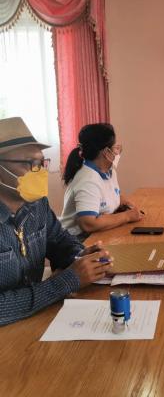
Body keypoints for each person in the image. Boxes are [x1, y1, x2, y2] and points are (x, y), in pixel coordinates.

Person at [0, 117, 113, 326]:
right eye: (29, 164)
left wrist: (80, 256)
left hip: (35, 319)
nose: (39, 172)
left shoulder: (37, 204)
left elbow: (59, 240)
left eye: (41, 163)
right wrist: (65, 282)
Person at [60, 123, 142, 240]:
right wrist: (127, 216)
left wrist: (124, 202)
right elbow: (88, 224)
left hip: (99, 234)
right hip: (78, 241)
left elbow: (110, 194)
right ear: (106, 152)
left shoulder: (109, 171)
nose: (117, 151)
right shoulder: (88, 180)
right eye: (115, 148)